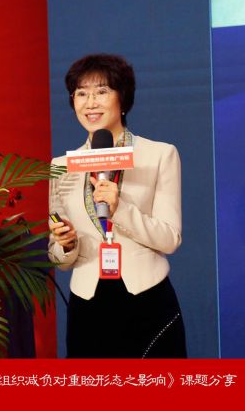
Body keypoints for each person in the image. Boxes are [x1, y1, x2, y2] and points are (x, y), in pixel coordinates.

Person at [48, 53, 187, 358]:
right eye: (81, 93)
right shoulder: (61, 167)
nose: (90, 103)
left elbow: (170, 238)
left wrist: (120, 209)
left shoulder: (158, 155)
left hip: (147, 300)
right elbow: (58, 258)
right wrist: (66, 244)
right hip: (87, 306)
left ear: (123, 99)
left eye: (101, 91)